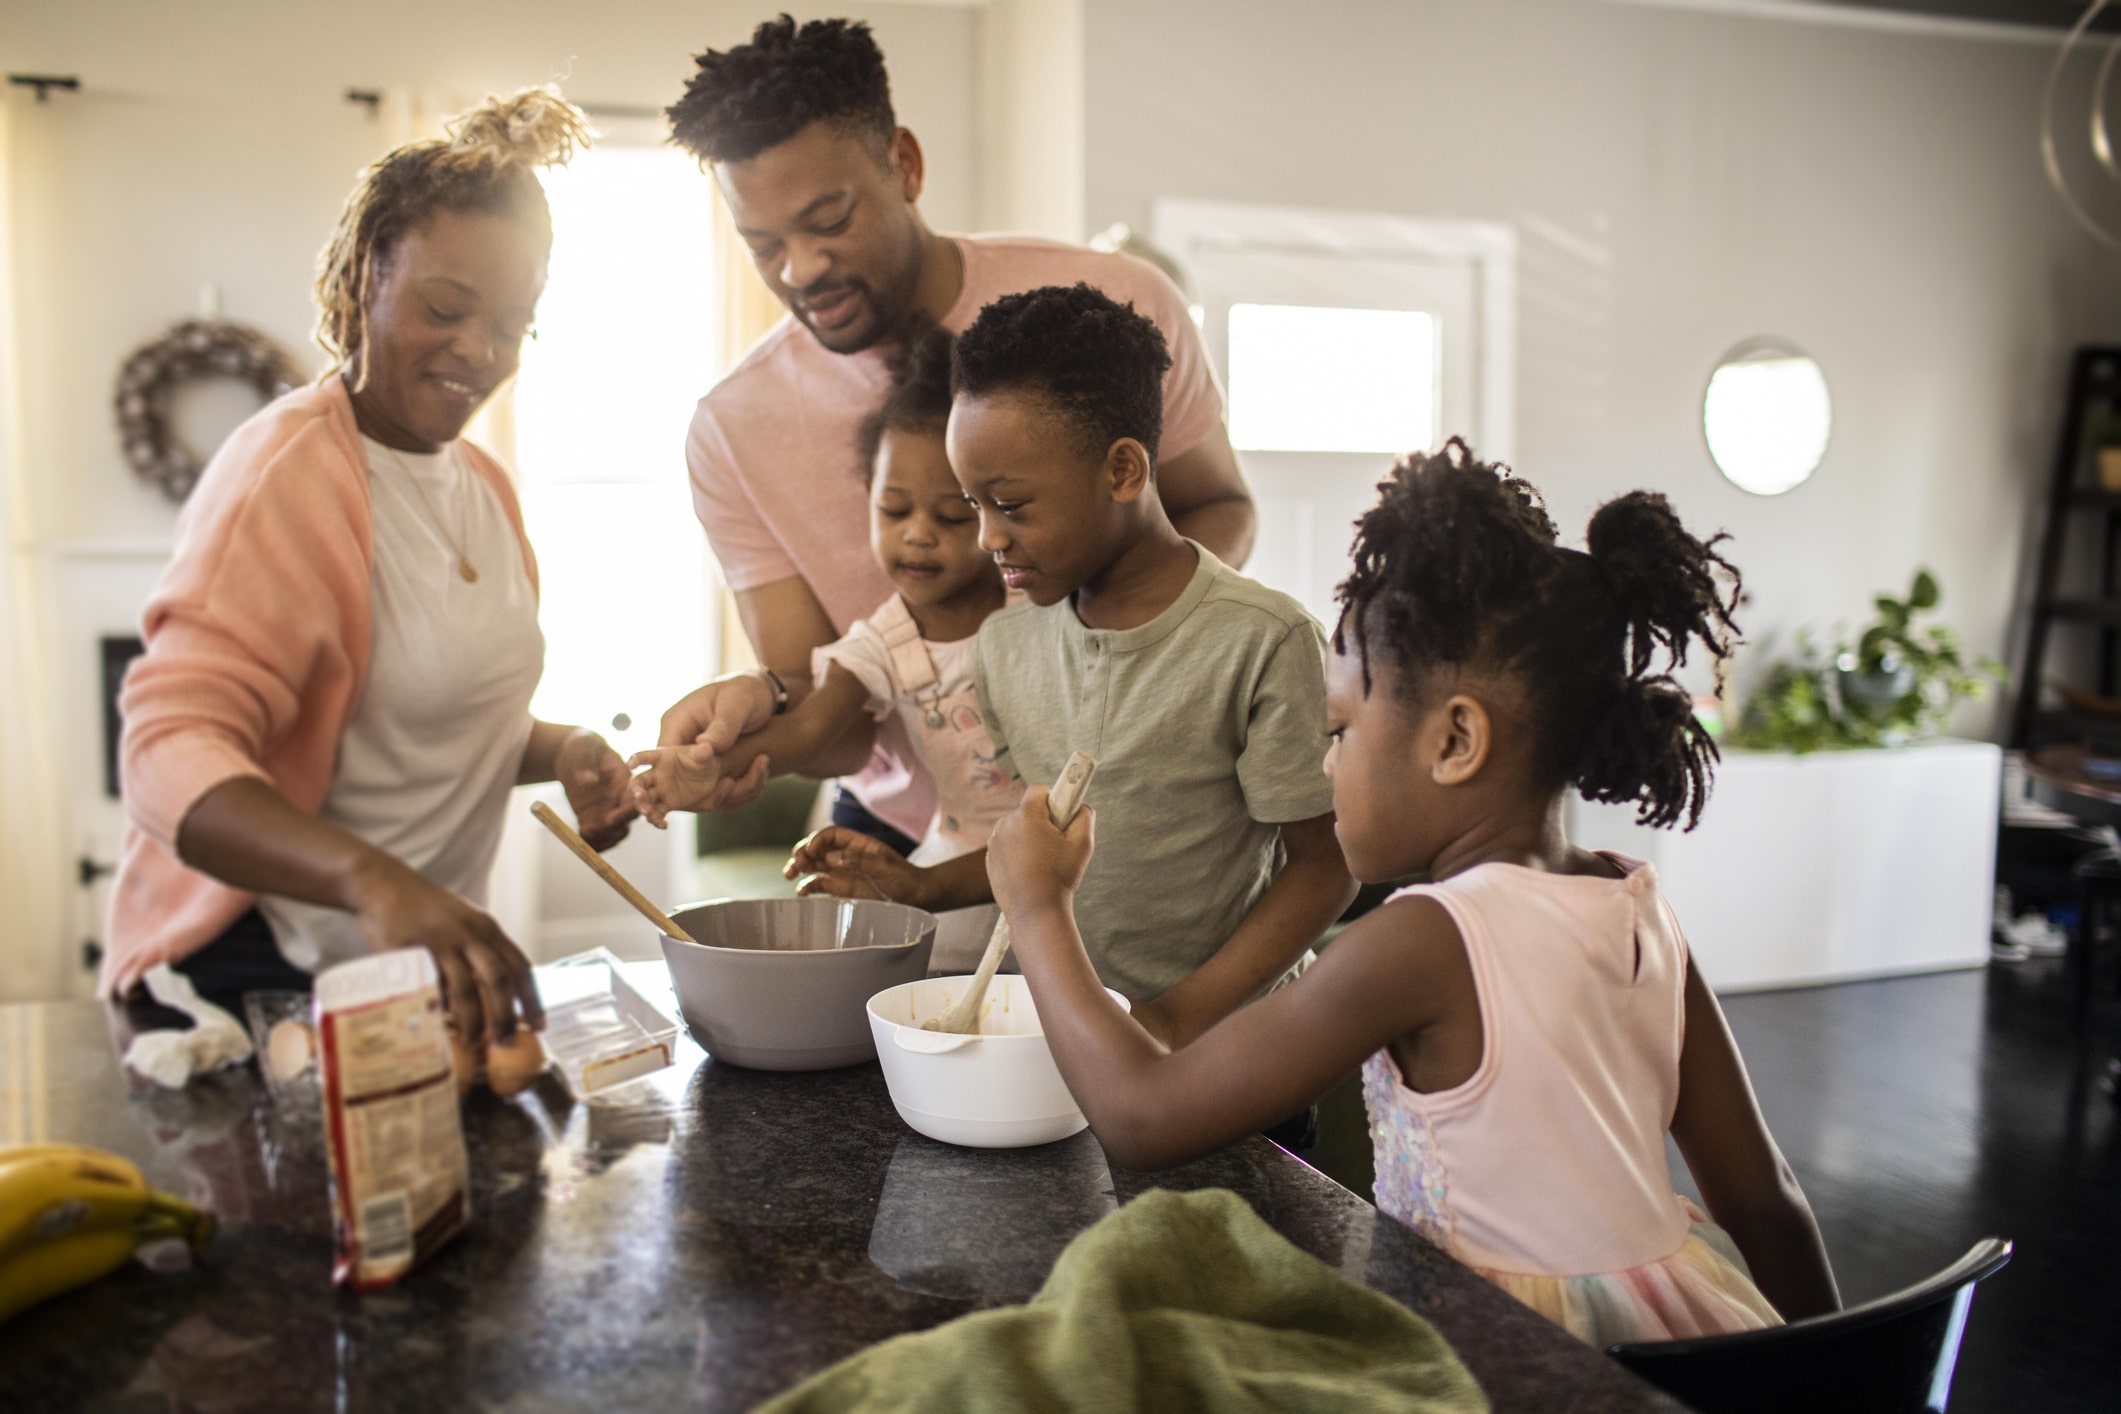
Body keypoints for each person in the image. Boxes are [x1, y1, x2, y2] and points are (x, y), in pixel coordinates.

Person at [984, 438, 1843, 1346]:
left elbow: (1141, 1116)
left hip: (1500, 1360)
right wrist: (1838, 1370)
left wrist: (1039, 907)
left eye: (1341, 731)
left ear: (1454, 742)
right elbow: (1765, 1200)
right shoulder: (1636, 907)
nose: (1324, 768)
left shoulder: (1427, 940)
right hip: (1684, 1339)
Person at [102, 89, 635, 1046]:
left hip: (391, 979)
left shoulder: (478, 482)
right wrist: (371, 879)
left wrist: (559, 751)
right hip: (258, 980)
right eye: (445, 308)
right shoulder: (285, 475)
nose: (479, 351)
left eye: (513, 324)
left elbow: (410, 726)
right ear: (361, 279)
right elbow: (163, 752)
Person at [656, 16, 1257, 858]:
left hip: (1121, 792)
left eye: (827, 219)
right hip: (902, 828)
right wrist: (745, 721)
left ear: (904, 164)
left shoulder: (1117, 299)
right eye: (762, 246)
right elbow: (829, 718)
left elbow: (1218, 505)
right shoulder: (732, 428)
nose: (799, 269)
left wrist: (1116, 641)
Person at [789, 285, 1354, 1049]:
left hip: (1226, 1054)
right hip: (1060, 1045)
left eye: (1010, 505)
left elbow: (1325, 870)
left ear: (1123, 471)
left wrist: (1173, 1019)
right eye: (972, 505)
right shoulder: (1005, 645)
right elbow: (1044, 849)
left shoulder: (1262, 641)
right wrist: (919, 885)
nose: (988, 538)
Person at [630, 328, 1024, 965]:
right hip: (956, 875)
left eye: (952, 516)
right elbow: (811, 730)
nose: (918, 536)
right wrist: (711, 767)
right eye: (894, 511)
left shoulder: (1041, 604)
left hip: (1072, 865)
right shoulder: (882, 642)